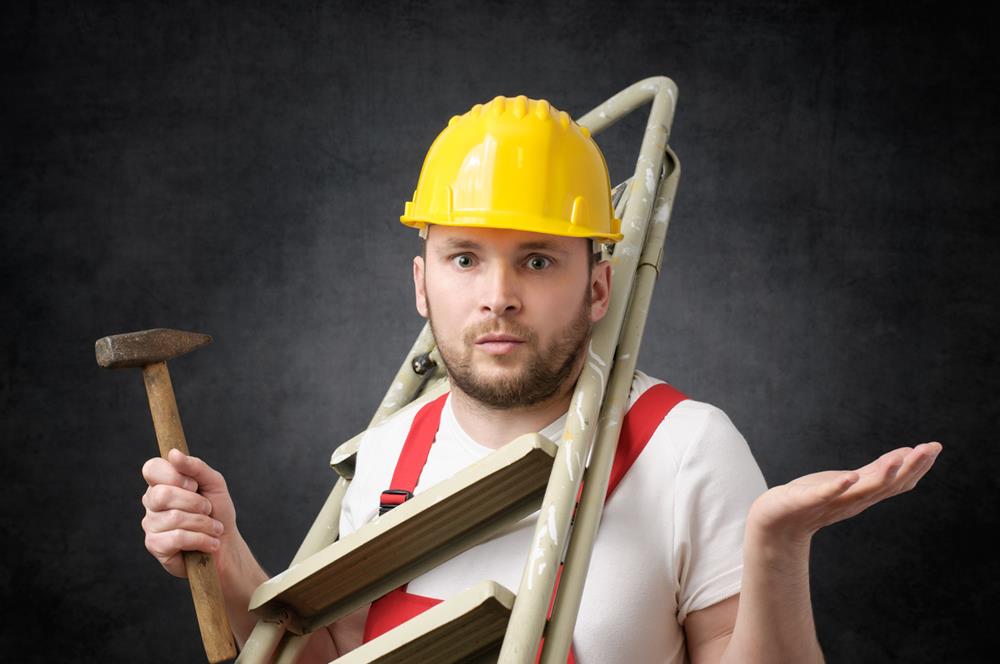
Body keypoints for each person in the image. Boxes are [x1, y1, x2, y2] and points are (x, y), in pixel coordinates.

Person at [140, 95, 943, 663]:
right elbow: (333, 658)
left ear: (597, 286)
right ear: (423, 286)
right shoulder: (389, 457)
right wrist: (227, 551)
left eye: (536, 259)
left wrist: (776, 544)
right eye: (465, 258)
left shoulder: (685, 447)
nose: (498, 295)